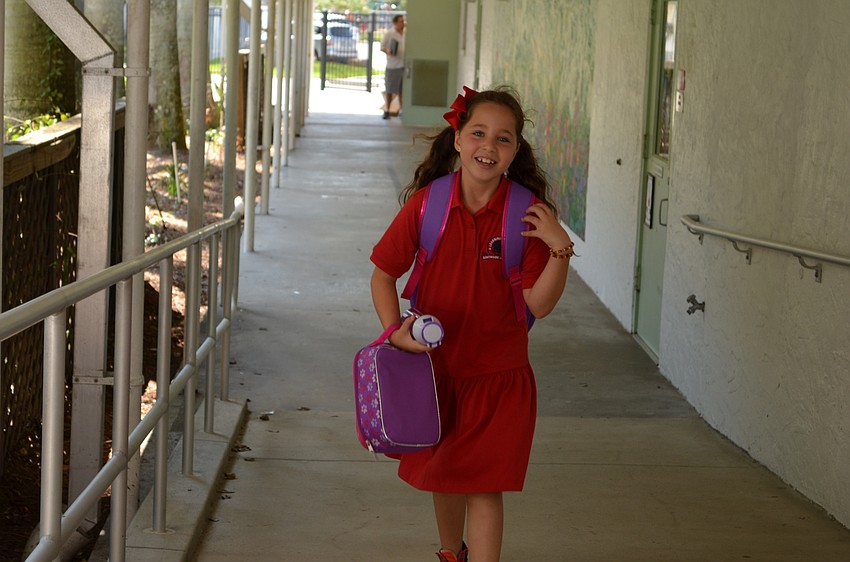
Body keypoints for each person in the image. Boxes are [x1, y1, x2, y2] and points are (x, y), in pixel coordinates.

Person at [369, 86, 574, 562]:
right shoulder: (427, 206)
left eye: (503, 139)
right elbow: (383, 275)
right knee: (445, 475)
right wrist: (394, 330)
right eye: (478, 133)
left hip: (498, 376)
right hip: (435, 371)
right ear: (457, 138)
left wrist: (559, 248)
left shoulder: (527, 216)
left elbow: (539, 306)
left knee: (483, 486)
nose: (489, 146)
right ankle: (450, 553)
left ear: (515, 150)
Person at [380, 14, 405, 119]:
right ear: (395, 23)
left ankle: (401, 110)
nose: (403, 23)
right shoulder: (390, 33)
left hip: (403, 65)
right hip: (393, 66)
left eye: (403, 21)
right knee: (390, 89)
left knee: (401, 90)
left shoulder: (405, 33)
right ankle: (388, 110)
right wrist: (388, 51)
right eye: (401, 21)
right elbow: (382, 47)